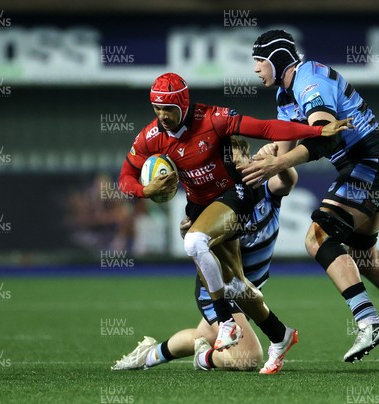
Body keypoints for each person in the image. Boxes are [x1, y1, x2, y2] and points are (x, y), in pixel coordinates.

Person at [118, 72, 349, 371]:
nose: (163, 115)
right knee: (245, 350)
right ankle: (221, 337)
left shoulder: (249, 168)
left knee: (217, 291)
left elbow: (267, 131)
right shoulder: (153, 137)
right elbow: (125, 177)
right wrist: (143, 190)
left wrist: (314, 133)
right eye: (157, 108)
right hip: (215, 278)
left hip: (236, 249)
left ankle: (160, 352)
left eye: (169, 109)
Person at [241, 30, 379, 362]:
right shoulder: (285, 95)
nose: (255, 70)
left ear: (276, 60)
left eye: (259, 62)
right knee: (364, 256)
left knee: (317, 238)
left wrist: (277, 161)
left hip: (368, 161)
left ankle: (369, 321)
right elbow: (287, 157)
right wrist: (271, 158)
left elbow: (327, 139)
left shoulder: (309, 83)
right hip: (370, 164)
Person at [112, 137, 298, 373]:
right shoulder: (217, 201)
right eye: (222, 162)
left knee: (204, 335)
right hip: (223, 288)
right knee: (247, 357)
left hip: (248, 289)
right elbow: (201, 244)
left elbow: (288, 181)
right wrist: (189, 231)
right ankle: (204, 358)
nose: (228, 167)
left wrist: (279, 162)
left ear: (247, 156)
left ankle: (149, 354)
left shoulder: (262, 186)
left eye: (233, 159)